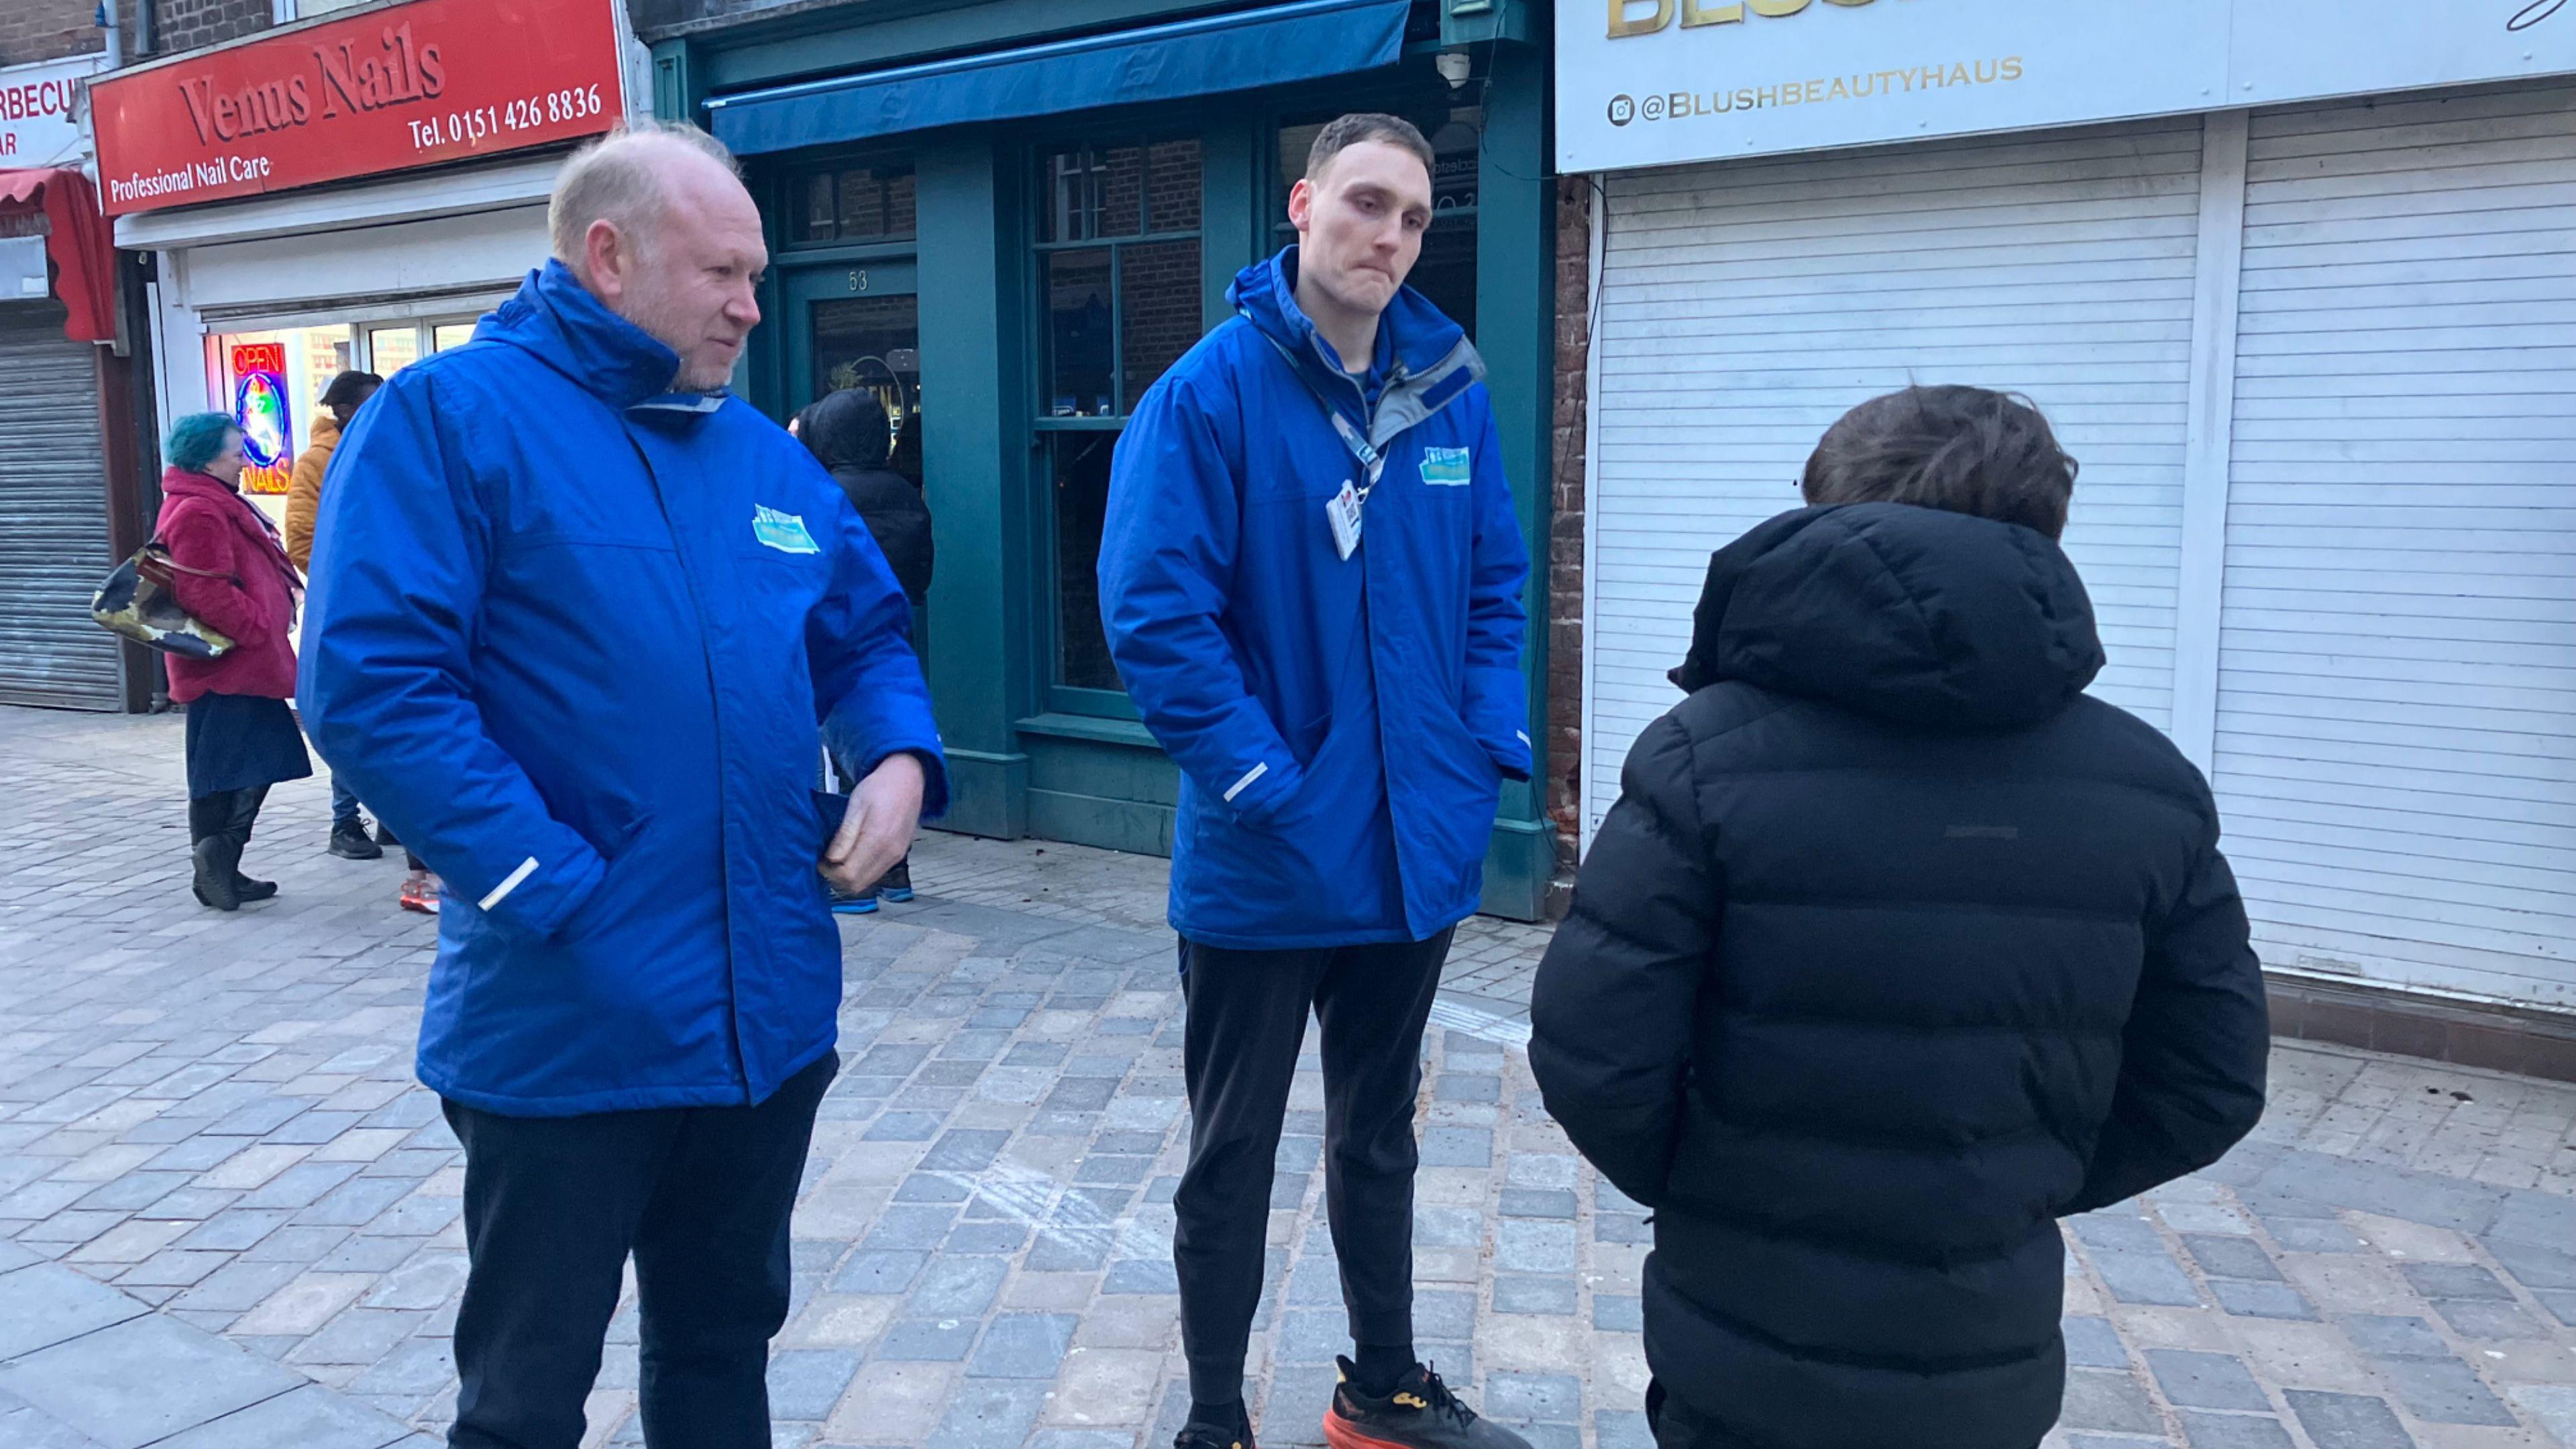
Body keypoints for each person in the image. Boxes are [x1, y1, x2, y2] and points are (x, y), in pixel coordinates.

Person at [299, 121, 943, 1449]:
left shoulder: (764, 457)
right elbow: (371, 684)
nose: (751, 307)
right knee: (528, 1395)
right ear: (608, 256)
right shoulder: (450, 421)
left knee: (720, 1359)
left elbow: (865, 634)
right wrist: (554, 884)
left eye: (755, 276)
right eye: (724, 273)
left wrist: (894, 756)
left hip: (763, 1021)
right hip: (565, 1026)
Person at [1528, 385, 2271, 1449]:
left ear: (1826, 520)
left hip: (1741, 1348)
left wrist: (1716, 1186)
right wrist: (2015, 1183)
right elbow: (2209, 1079)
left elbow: (1597, 1059)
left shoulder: (1702, 760)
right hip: (1985, 1365)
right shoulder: (2149, 786)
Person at [1098, 113, 1534, 1449]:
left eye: (1411, 216)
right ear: (1302, 205)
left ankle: (1382, 1387)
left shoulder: (1451, 392)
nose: (1389, 237)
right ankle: (1218, 1416)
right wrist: (1263, 785)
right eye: (1365, 204)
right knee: (1231, 1155)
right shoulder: (1208, 396)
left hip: (1415, 854)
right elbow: (1157, 616)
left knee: (1380, 1138)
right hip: (1265, 860)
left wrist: (1481, 754)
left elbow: (1496, 590)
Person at [157, 412, 314, 912]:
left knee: (230, 767)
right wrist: (258, 628)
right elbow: (202, 589)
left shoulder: (211, 501)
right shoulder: (200, 510)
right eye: (235, 453)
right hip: (230, 665)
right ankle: (216, 861)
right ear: (206, 458)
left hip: (235, 665)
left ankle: (221, 866)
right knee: (240, 766)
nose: (244, 462)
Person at [793, 388, 932, 914]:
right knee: (886, 751)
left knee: (837, 763)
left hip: (831, 644)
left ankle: (853, 881)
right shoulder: (905, 492)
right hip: (895, 637)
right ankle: (895, 871)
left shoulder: (819, 494)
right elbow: (922, 570)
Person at [282, 368, 388, 861]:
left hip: (396, 604)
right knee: (353, 715)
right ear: (343, 411)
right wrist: (353, 579)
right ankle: (345, 823)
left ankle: (395, 815)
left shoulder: (391, 446)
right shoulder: (315, 464)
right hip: (350, 607)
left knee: (397, 714)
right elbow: (302, 541)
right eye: (371, 400)